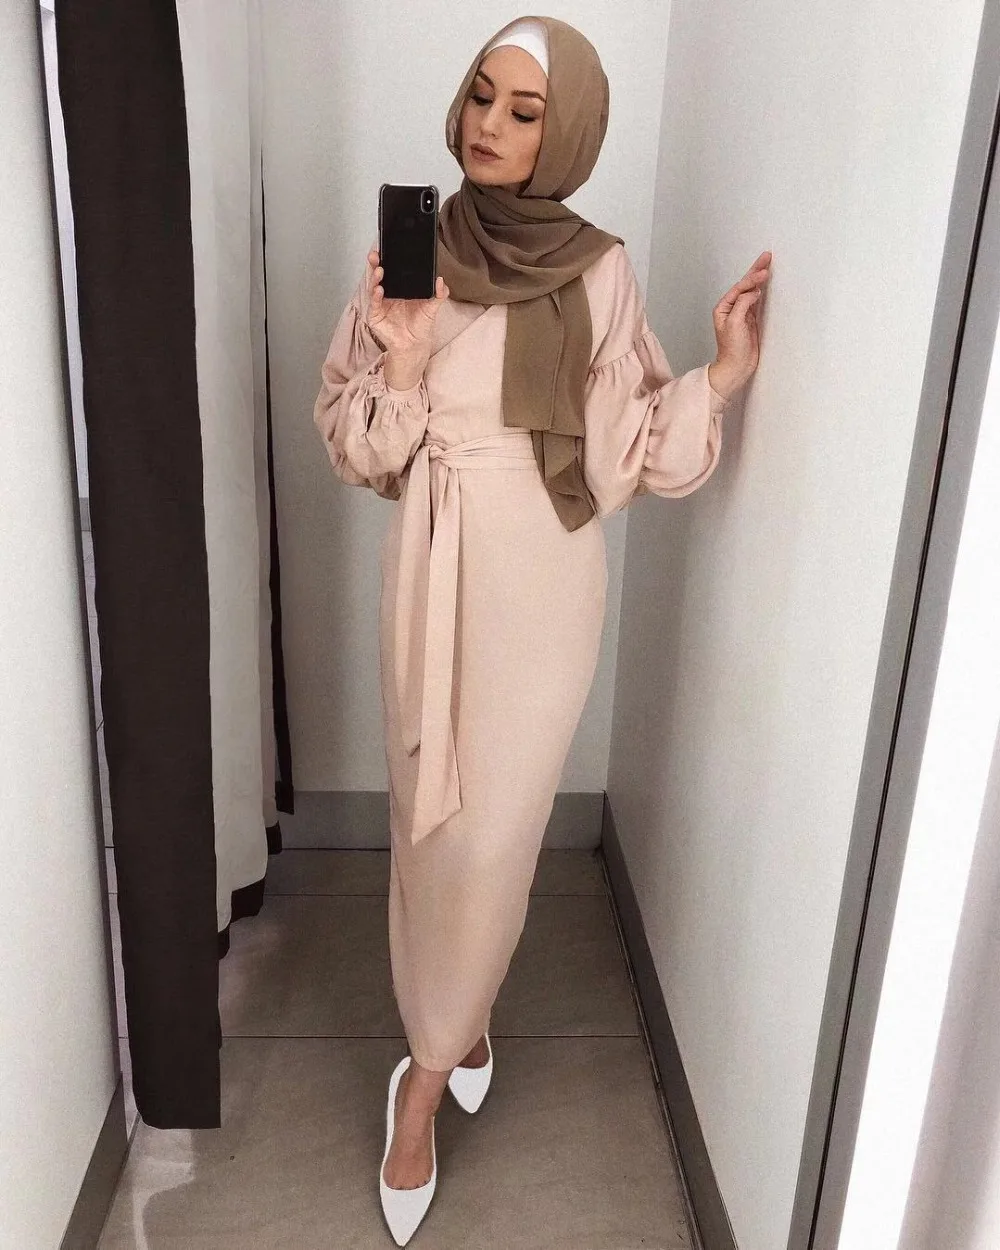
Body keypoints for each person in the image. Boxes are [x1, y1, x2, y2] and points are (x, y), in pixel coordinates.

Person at [313, 14, 769, 1244]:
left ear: (565, 133)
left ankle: (421, 1077)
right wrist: (402, 360)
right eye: (481, 96)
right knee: (431, 821)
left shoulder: (598, 270)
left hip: (545, 577)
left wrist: (721, 374)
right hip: (432, 560)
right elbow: (360, 449)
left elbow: (629, 450)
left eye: (525, 111)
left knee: (499, 831)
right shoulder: (412, 245)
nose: (491, 127)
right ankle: (456, 1021)